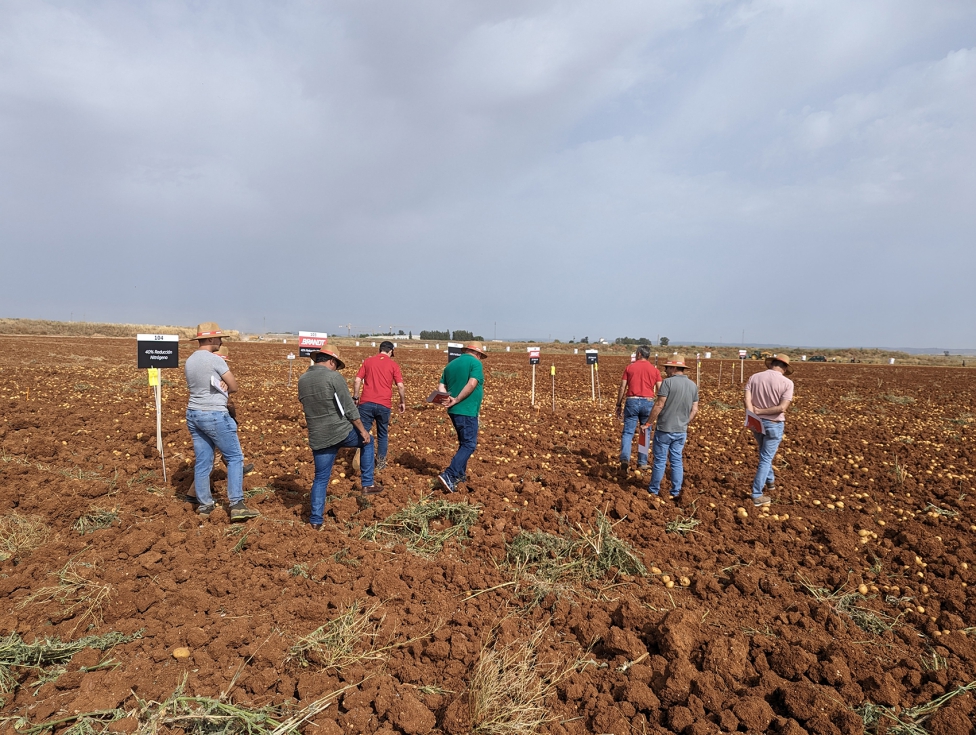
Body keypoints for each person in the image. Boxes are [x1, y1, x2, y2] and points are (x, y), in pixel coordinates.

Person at [298, 345, 379, 531]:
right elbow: (350, 408)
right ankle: (367, 483)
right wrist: (363, 431)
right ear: (332, 361)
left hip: (318, 436)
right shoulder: (333, 377)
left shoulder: (302, 379)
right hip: (340, 432)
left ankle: (316, 521)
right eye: (336, 364)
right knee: (369, 441)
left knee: (320, 478)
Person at [183, 322, 258, 521]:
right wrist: (226, 386)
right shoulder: (215, 360)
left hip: (193, 413)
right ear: (210, 339)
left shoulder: (190, 360)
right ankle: (237, 505)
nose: (221, 341)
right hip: (214, 414)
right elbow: (234, 386)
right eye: (218, 338)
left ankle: (205, 505)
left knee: (203, 462)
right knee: (234, 458)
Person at [643, 355, 699, 501]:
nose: (665, 370)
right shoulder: (693, 385)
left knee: (660, 460)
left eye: (667, 367)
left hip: (664, 429)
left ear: (673, 368)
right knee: (676, 460)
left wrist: (648, 423)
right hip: (681, 431)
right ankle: (676, 491)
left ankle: (654, 490)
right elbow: (695, 409)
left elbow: (659, 405)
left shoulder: (667, 383)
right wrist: (685, 422)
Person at [744, 353, 795, 507]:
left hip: (756, 423)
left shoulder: (754, 377)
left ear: (771, 363)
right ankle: (757, 494)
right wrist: (761, 412)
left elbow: (746, 399)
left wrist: (753, 414)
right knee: (766, 458)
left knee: (764, 453)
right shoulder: (787, 383)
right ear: (785, 368)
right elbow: (782, 408)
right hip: (773, 424)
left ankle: (770, 481)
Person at [437, 342, 487, 493]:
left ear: (465, 350)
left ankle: (460, 476)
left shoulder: (451, 365)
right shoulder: (476, 364)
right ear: (477, 354)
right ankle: (449, 475)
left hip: (453, 411)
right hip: (467, 410)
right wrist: (457, 398)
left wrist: (448, 399)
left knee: (463, 443)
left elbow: (441, 386)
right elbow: (472, 384)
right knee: (469, 445)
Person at [353, 340, 406, 472]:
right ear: (391, 351)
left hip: (366, 402)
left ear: (380, 350)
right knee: (382, 434)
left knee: (363, 432)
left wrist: (355, 396)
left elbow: (357, 380)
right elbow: (400, 386)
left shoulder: (368, 361)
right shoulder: (393, 365)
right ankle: (381, 463)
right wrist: (402, 401)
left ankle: (362, 461)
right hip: (384, 404)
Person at [615, 345, 663, 471]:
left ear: (640, 354)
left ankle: (625, 459)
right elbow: (660, 389)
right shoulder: (655, 370)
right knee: (645, 431)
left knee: (627, 432)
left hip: (632, 401)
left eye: (637, 353)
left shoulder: (629, 368)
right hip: (648, 402)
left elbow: (622, 387)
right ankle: (642, 462)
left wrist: (618, 404)